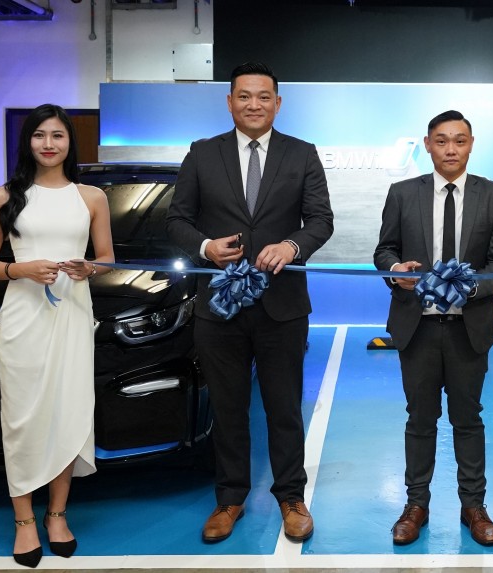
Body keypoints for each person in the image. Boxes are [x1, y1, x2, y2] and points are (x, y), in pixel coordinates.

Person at [166, 62, 333, 543]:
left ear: (277, 103)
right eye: (244, 96)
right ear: (229, 102)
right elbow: (177, 221)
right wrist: (204, 247)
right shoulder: (202, 154)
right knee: (228, 407)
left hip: (282, 307)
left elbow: (321, 220)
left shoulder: (302, 154)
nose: (254, 105)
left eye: (264, 97)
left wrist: (292, 247)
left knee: (284, 408)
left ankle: (291, 497)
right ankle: (230, 498)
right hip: (219, 308)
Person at [0, 104, 114, 568]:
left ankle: (57, 514)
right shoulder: (4, 196)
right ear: (27, 142)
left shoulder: (91, 196)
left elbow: (107, 260)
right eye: (39, 135)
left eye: (57, 135)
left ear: (70, 142)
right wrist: (22, 268)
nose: (49, 144)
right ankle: (23, 521)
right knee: (23, 417)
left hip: (73, 315)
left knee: (67, 412)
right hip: (22, 317)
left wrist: (88, 267)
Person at [373, 110, 493, 546]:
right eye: (441, 141)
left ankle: (474, 506)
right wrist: (395, 269)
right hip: (416, 327)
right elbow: (384, 251)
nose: (450, 149)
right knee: (420, 419)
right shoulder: (401, 193)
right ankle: (416, 504)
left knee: (468, 419)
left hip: (467, 328)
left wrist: (468, 289)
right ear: (427, 144)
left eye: (459, 141)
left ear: (472, 144)